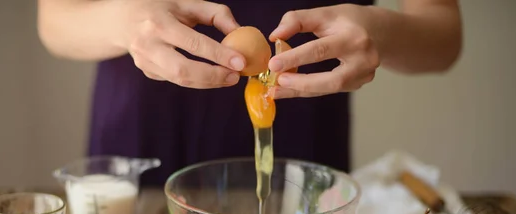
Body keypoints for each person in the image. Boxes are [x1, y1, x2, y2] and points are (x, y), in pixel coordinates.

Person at [36, 0, 462, 186]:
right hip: (139, 149)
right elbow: (54, 19)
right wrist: (123, 22)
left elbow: (443, 32)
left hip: (304, 159)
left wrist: (380, 32)